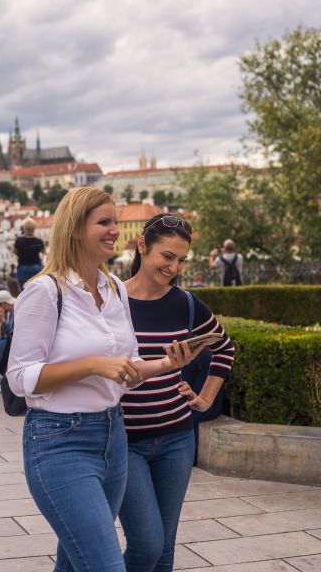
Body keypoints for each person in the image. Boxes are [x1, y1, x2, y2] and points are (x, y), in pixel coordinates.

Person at [6, 187, 197, 571]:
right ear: (76, 228)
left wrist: (166, 364)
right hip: (59, 441)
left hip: (113, 436)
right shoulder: (45, 291)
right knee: (106, 565)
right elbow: (19, 378)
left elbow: (125, 369)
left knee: (76, 563)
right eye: (104, 222)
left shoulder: (113, 290)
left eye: (115, 221)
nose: (115, 230)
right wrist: (92, 364)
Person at [120, 213, 235, 571]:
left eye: (182, 260)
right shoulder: (111, 300)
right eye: (167, 256)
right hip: (125, 441)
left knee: (165, 546)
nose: (174, 267)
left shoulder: (186, 304)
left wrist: (205, 398)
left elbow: (225, 347)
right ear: (142, 246)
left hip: (176, 439)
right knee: (147, 544)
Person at [13, 219, 45, 288]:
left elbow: (15, 252)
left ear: (24, 228)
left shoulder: (19, 241)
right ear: (34, 228)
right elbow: (43, 251)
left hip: (23, 267)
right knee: (37, 289)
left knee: (24, 292)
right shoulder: (38, 241)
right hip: (36, 267)